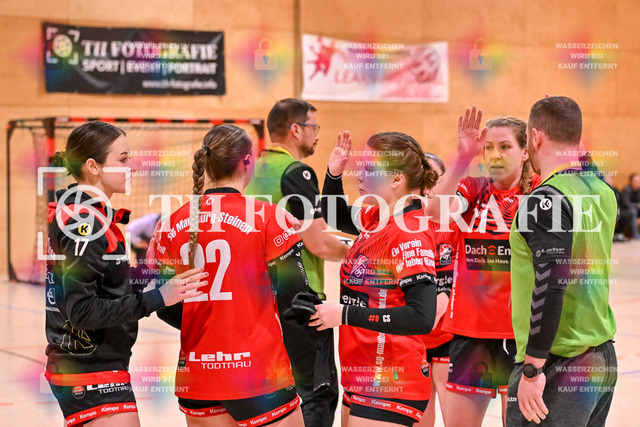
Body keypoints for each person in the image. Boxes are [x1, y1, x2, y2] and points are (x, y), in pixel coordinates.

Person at [44, 121, 207, 427]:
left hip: (92, 364)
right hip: (89, 369)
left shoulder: (86, 215)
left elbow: (106, 285)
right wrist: (159, 297)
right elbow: (82, 311)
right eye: (122, 159)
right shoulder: (85, 223)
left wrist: (149, 270)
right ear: (93, 166)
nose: (131, 166)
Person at [154, 125, 306, 426]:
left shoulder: (170, 223)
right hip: (258, 374)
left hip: (197, 376)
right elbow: (296, 299)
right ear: (247, 161)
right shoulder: (268, 216)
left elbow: (164, 306)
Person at [423, 108, 540, 426]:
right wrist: (462, 157)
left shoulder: (541, 192)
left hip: (520, 336)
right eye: (488, 147)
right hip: (470, 333)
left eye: (505, 146)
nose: (495, 155)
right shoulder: (472, 188)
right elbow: (434, 213)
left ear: (525, 151)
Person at [314, 130, 439, 426]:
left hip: (391, 378)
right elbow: (335, 214)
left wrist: (344, 314)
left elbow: (422, 317)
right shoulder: (377, 218)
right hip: (362, 373)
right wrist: (333, 173)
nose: (360, 174)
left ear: (396, 178)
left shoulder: (409, 233)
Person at [506, 96, 618, 426]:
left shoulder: (545, 199)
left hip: (558, 361)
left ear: (535, 137)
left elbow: (552, 283)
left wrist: (532, 368)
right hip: (600, 358)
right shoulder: (602, 191)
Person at [245, 98, 346, 426]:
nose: (317, 134)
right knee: (317, 393)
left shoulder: (250, 170)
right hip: (299, 300)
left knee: (274, 394)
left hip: (256, 300)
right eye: (314, 127)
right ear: (295, 130)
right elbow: (318, 242)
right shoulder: (296, 172)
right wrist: (361, 252)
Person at [415, 153, 457, 427]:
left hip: (448, 336)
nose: (428, 187)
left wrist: (445, 297)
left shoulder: (454, 224)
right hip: (413, 338)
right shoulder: (403, 224)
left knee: (455, 417)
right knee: (419, 417)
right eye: (422, 177)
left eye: (434, 179)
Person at [620, 173, 640, 239]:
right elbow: (626, 204)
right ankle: (635, 235)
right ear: (631, 181)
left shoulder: (639, 190)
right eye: (635, 181)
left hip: (636, 210)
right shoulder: (626, 190)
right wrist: (637, 205)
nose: (637, 183)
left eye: (638, 181)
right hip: (626, 210)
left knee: (634, 211)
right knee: (633, 212)